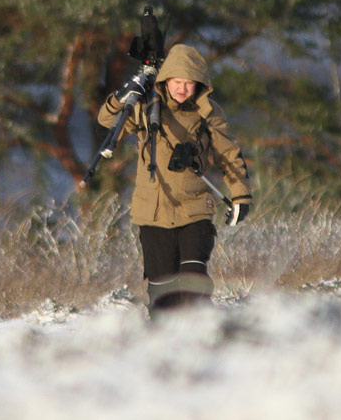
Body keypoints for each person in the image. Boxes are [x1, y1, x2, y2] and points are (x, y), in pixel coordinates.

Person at [97, 44, 252, 313]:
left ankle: (200, 337)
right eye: (177, 82)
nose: (182, 88)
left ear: (200, 84)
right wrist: (124, 95)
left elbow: (228, 153)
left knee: (194, 282)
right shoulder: (146, 106)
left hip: (195, 209)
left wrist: (240, 196)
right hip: (153, 211)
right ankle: (165, 345)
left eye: (189, 83)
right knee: (162, 290)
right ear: (165, 80)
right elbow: (107, 121)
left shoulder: (209, 112)